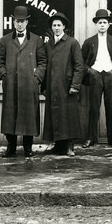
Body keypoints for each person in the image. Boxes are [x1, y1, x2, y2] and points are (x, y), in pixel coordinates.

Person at [0, 4, 47, 157]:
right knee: (11, 116)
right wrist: (4, 75)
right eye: (17, 21)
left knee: (28, 115)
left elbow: (43, 62)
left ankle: (28, 147)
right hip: (11, 85)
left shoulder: (36, 40)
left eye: (22, 21)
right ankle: (11, 147)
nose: (19, 23)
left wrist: (36, 78)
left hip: (29, 85)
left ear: (27, 22)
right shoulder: (5, 40)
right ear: (13, 21)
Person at [81, 8, 112, 148]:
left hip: (110, 75)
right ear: (96, 24)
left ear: (108, 25)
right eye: (100, 22)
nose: (102, 25)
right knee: (94, 107)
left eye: (105, 22)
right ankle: (91, 138)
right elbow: (80, 61)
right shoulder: (89, 42)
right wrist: (89, 71)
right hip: (95, 76)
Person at [41, 11, 85, 155]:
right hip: (52, 86)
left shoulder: (72, 43)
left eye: (59, 25)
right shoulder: (48, 45)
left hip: (66, 86)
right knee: (55, 115)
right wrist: (44, 87)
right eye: (54, 25)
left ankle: (70, 146)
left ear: (64, 27)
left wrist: (75, 85)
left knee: (68, 115)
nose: (57, 28)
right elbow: (44, 65)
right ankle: (58, 145)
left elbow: (79, 66)